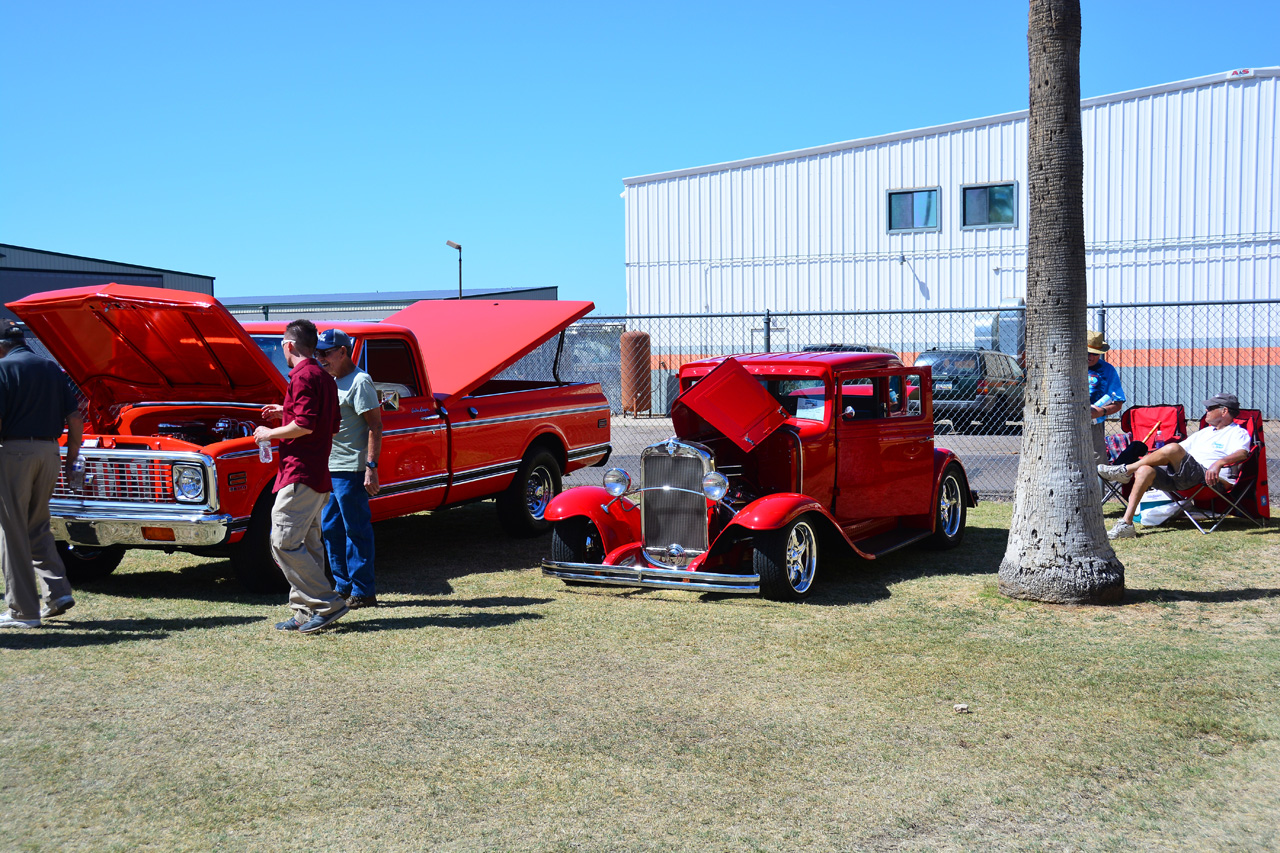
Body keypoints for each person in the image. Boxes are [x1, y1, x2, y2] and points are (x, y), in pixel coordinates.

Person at [256, 319, 345, 634]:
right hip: (317, 471)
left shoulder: (304, 376)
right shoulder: (323, 377)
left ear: (288, 345)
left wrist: (270, 431)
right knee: (308, 542)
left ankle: (326, 602)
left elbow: (306, 425)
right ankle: (304, 611)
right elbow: (326, 424)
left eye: (281, 343)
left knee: (282, 541)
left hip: (301, 472)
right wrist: (285, 413)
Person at [0, 321, 82, 628]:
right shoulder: (50, 368)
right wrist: (71, 458)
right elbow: (75, 417)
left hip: (13, 452)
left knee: (12, 530)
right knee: (37, 525)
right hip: (50, 452)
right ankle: (57, 592)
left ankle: (23, 611)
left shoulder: (3, 369)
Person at [1098, 393, 1251, 540]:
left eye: (1211, 408)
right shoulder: (1205, 432)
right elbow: (1179, 450)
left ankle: (1126, 470)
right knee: (1145, 470)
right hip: (1184, 477)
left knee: (1173, 448)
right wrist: (1150, 459)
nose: (1206, 411)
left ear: (1224, 411)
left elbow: (1243, 453)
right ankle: (1126, 524)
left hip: (1209, 480)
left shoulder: (1238, 433)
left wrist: (1219, 463)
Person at [315, 328, 382, 609]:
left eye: (326, 353)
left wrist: (371, 467)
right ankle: (342, 586)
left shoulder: (359, 382)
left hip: (351, 469)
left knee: (356, 529)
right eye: (317, 353)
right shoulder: (330, 381)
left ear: (343, 351)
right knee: (330, 527)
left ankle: (364, 591)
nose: (321, 358)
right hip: (329, 468)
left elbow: (375, 426)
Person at [1087, 330, 1126, 466]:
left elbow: (1118, 403)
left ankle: (1097, 487)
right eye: (1087, 353)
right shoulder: (1067, 367)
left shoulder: (1107, 370)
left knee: (1096, 461)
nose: (1090, 357)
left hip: (1093, 423)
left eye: (1095, 354)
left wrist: (1100, 412)